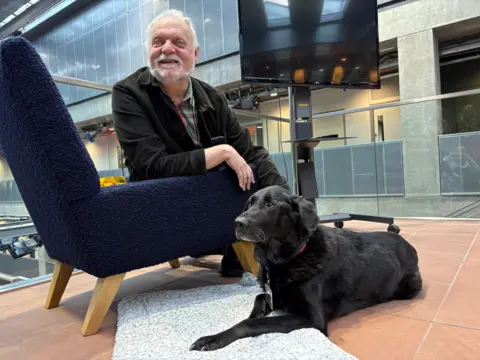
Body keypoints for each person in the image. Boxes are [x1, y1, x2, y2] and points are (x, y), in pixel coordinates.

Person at [111, 9, 290, 277]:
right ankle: (241, 248)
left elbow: (251, 153)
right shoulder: (128, 94)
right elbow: (151, 165)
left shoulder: (212, 97)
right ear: (148, 50)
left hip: (210, 204)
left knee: (252, 172)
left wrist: (285, 198)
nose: (166, 49)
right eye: (158, 42)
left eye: (178, 42)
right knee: (231, 168)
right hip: (164, 202)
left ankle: (259, 245)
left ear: (195, 54)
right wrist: (221, 152)